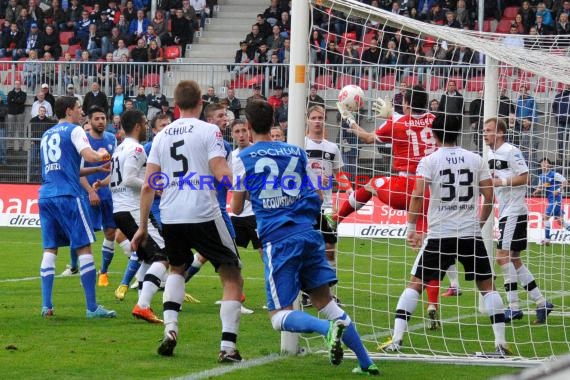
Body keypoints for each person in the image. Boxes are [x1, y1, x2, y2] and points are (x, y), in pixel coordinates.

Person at [231, 100, 379, 376]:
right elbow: (318, 195)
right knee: (327, 303)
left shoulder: (242, 158)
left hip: (279, 238)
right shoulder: (297, 152)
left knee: (278, 317)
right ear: (274, 120)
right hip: (309, 233)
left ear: (248, 127)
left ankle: (326, 330)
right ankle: (366, 361)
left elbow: (237, 208)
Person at [380, 114, 511, 356]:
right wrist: (479, 223)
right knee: (488, 287)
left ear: (434, 133)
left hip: (440, 234)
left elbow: (418, 196)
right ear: (458, 133)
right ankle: (501, 345)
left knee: (415, 284)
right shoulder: (476, 159)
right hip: (469, 234)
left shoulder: (429, 161)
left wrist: (411, 229)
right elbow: (489, 196)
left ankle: (396, 340)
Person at [131, 80, 244, 361]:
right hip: (203, 211)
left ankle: (170, 329)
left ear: (176, 104)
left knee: (176, 269)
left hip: (170, 215)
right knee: (232, 276)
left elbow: (148, 186)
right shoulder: (210, 131)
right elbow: (219, 169)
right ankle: (228, 347)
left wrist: (142, 227)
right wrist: (244, 186)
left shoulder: (161, 136)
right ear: (201, 103)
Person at [332, 86, 445, 327]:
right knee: (429, 250)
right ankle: (433, 304)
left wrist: (349, 118)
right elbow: (419, 126)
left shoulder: (397, 124)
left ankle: (337, 219)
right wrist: (393, 115)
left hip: (405, 186)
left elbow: (366, 138)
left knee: (372, 184)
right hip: (434, 192)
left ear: (405, 104)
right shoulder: (436, 120)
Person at [38, 96, 116, 318]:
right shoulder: (75, 130)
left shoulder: (46, 134)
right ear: (70, 110)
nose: (81, 112)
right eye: (79, 108)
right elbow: (88, 154)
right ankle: (92, 308)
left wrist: (95, 170)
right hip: (69, 196)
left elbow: (64, 167)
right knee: (84, 247)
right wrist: (101, 155)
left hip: (46, 195)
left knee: (50, 249)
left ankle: (47, 306)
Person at [483, 117, 554, 324]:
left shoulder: (510, 150)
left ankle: (513, 307)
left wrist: (500, 181)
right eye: (484, 130)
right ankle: (542, 303)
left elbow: (526, 177)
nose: (485, 133)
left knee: (502, 257)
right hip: (505, 210)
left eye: (488, 130)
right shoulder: (490, 153)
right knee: (513, 258)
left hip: (514, 210)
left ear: (500, 132)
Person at [229, 120, 262, 255]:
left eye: (244, 130)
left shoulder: (258, 153)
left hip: (255, 213)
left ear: (249, 132)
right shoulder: (231, 157)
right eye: (237, 131)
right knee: (218, 248)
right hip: (236, 213)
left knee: (264, 252)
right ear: (232, 135)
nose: (241, 135)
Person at [532, 158, 570, 245]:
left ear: (550, 165)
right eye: (542, 163)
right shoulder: (541, 176)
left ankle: (547, 239)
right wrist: (536, 191)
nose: (544, 165)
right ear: (540, 166)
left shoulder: (554, 174)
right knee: (561, 221)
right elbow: (541, 186)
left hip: (556, 200)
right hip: (550, 200)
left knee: (545, 217)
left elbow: (566, 182)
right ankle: (547, 239)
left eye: (546, 163)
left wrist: (559, 189)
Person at [6, 80, 27, 152]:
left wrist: (13, 100)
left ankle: (21, 146)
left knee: (21, 130)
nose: (17, 85)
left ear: (20, 85)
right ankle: (10, 146)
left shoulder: (23, 94)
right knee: (10, 130)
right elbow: (9, 101)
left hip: (20, 113)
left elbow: (22, 101)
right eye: (16, 84)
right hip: (11, 113)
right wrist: (17, 100)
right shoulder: (10, 93)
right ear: (14, 85)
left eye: (18, 84)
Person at [552, 83, 570, 165]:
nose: (567, 85)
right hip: (560, 121)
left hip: (568, 121)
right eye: (566, 84)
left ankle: (563, 155)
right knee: (560, 139)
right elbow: (554, 108)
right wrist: (557, 117)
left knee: (565, 139)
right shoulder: (558, 96)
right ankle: (561, 156)